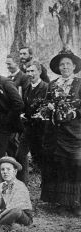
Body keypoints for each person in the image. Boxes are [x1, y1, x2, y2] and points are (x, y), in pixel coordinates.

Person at [41, 48, 81, 216]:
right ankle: (63, 203)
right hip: (56, 132)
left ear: (73, 66)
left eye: (67, 64)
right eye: (62, 64)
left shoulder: (79, 83)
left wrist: (73, 113)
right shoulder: (53, 84)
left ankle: (77, 203)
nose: (65, 67)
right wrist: (48, 109)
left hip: (75, 132)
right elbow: (46, 103)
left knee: (76, 165)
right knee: (60, 166)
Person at [15, 59, 48, 184]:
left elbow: (47, 107)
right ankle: (22, 183)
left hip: (41, 130)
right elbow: (24, 106)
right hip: (28, 128)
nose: (30, 73)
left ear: (39, 71)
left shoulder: (46, 87)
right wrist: (22, 114)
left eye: (33, 71)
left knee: (41, 159)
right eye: (28, 71)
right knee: (20, 155)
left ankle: (46, 186)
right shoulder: (27, 88)